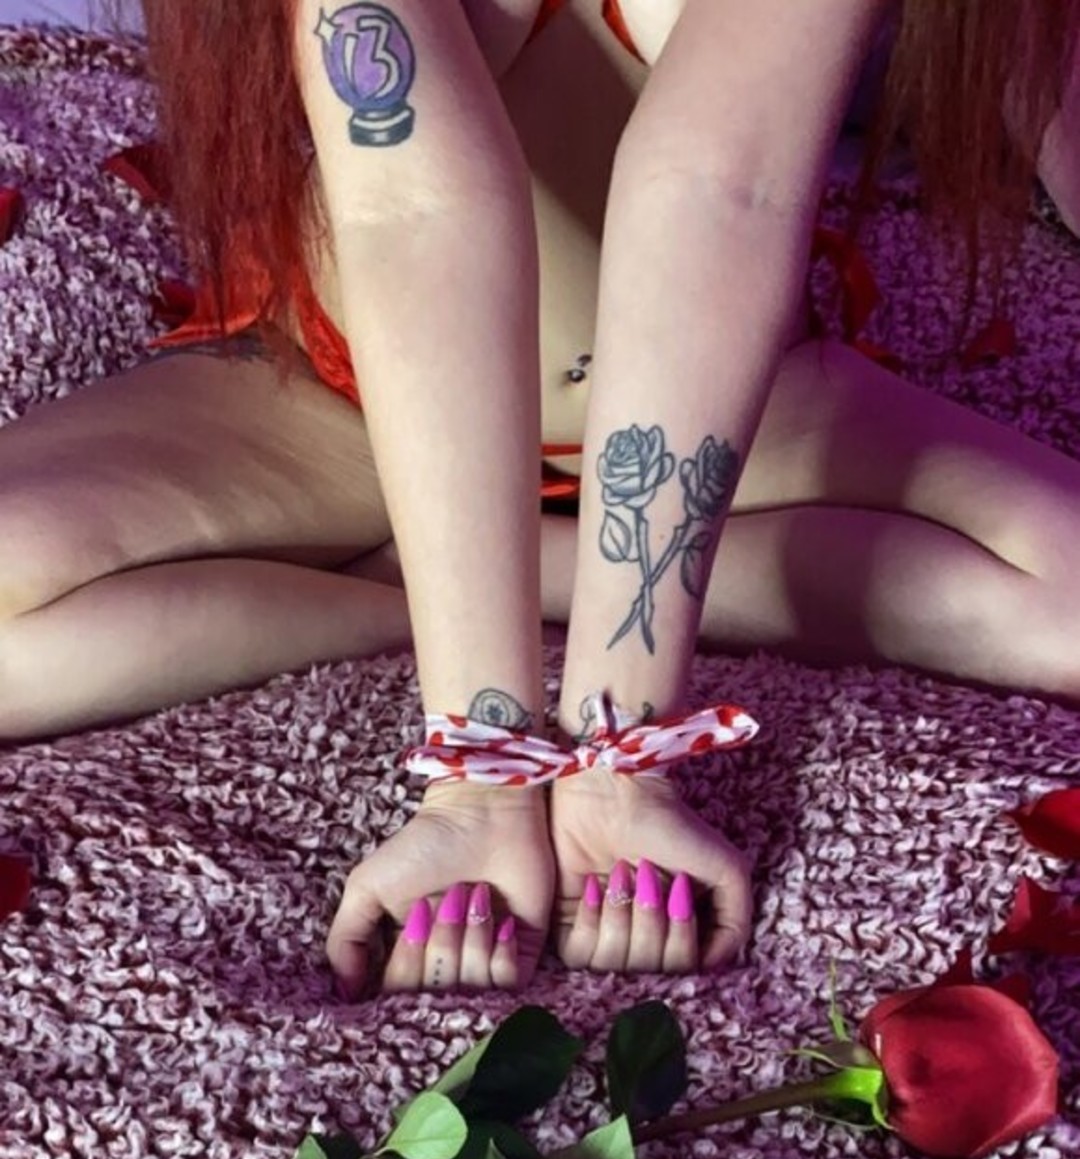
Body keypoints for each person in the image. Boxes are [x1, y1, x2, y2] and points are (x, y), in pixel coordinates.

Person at [2, 0, 1080, 999]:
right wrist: (482, 772)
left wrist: (622, 763)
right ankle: (434, 581)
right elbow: (412, 206)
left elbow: (724, 185)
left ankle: (505, 569)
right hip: (350, 407)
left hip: (740, 411)